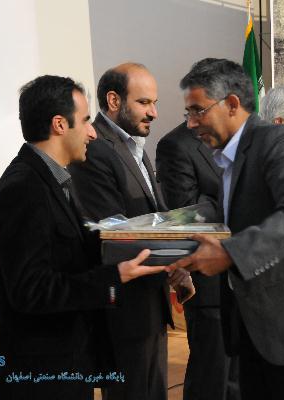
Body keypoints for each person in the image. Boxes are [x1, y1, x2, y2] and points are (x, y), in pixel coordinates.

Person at [169, 58, 284, 400]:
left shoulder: (277, 141)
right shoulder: (230, 157)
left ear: (232, 104)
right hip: (254, 328)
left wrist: (230, 253)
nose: (190, 123)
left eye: (197, 111)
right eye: (188, 113)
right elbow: (236, 215)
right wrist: (169, 235)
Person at [0, 75, 167, 400]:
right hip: (38, 378)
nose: (93, 132)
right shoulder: (25, 188)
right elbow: (31, 290)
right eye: (85, 121)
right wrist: (113, 278)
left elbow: (67, 254)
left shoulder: (51, 179)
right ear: (59, 124)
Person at [68, 63, 192, 400]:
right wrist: (179, 249)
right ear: (113, 101)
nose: (154, 112)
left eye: (155, 103)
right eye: (144, 102)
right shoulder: (95, 149)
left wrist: (177, 258)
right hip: (124, 309)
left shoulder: (133, 144)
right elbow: (117, 232)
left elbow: (155, 214)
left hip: (149, 300)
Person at [156, 122, 240, 400]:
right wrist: (233, 200)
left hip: (244, 278)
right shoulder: (175, 145)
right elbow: (188, 216)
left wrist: (212, 198)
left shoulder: (242, 139)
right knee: (211, 381)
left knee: (238, 384)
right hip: (210, 286)